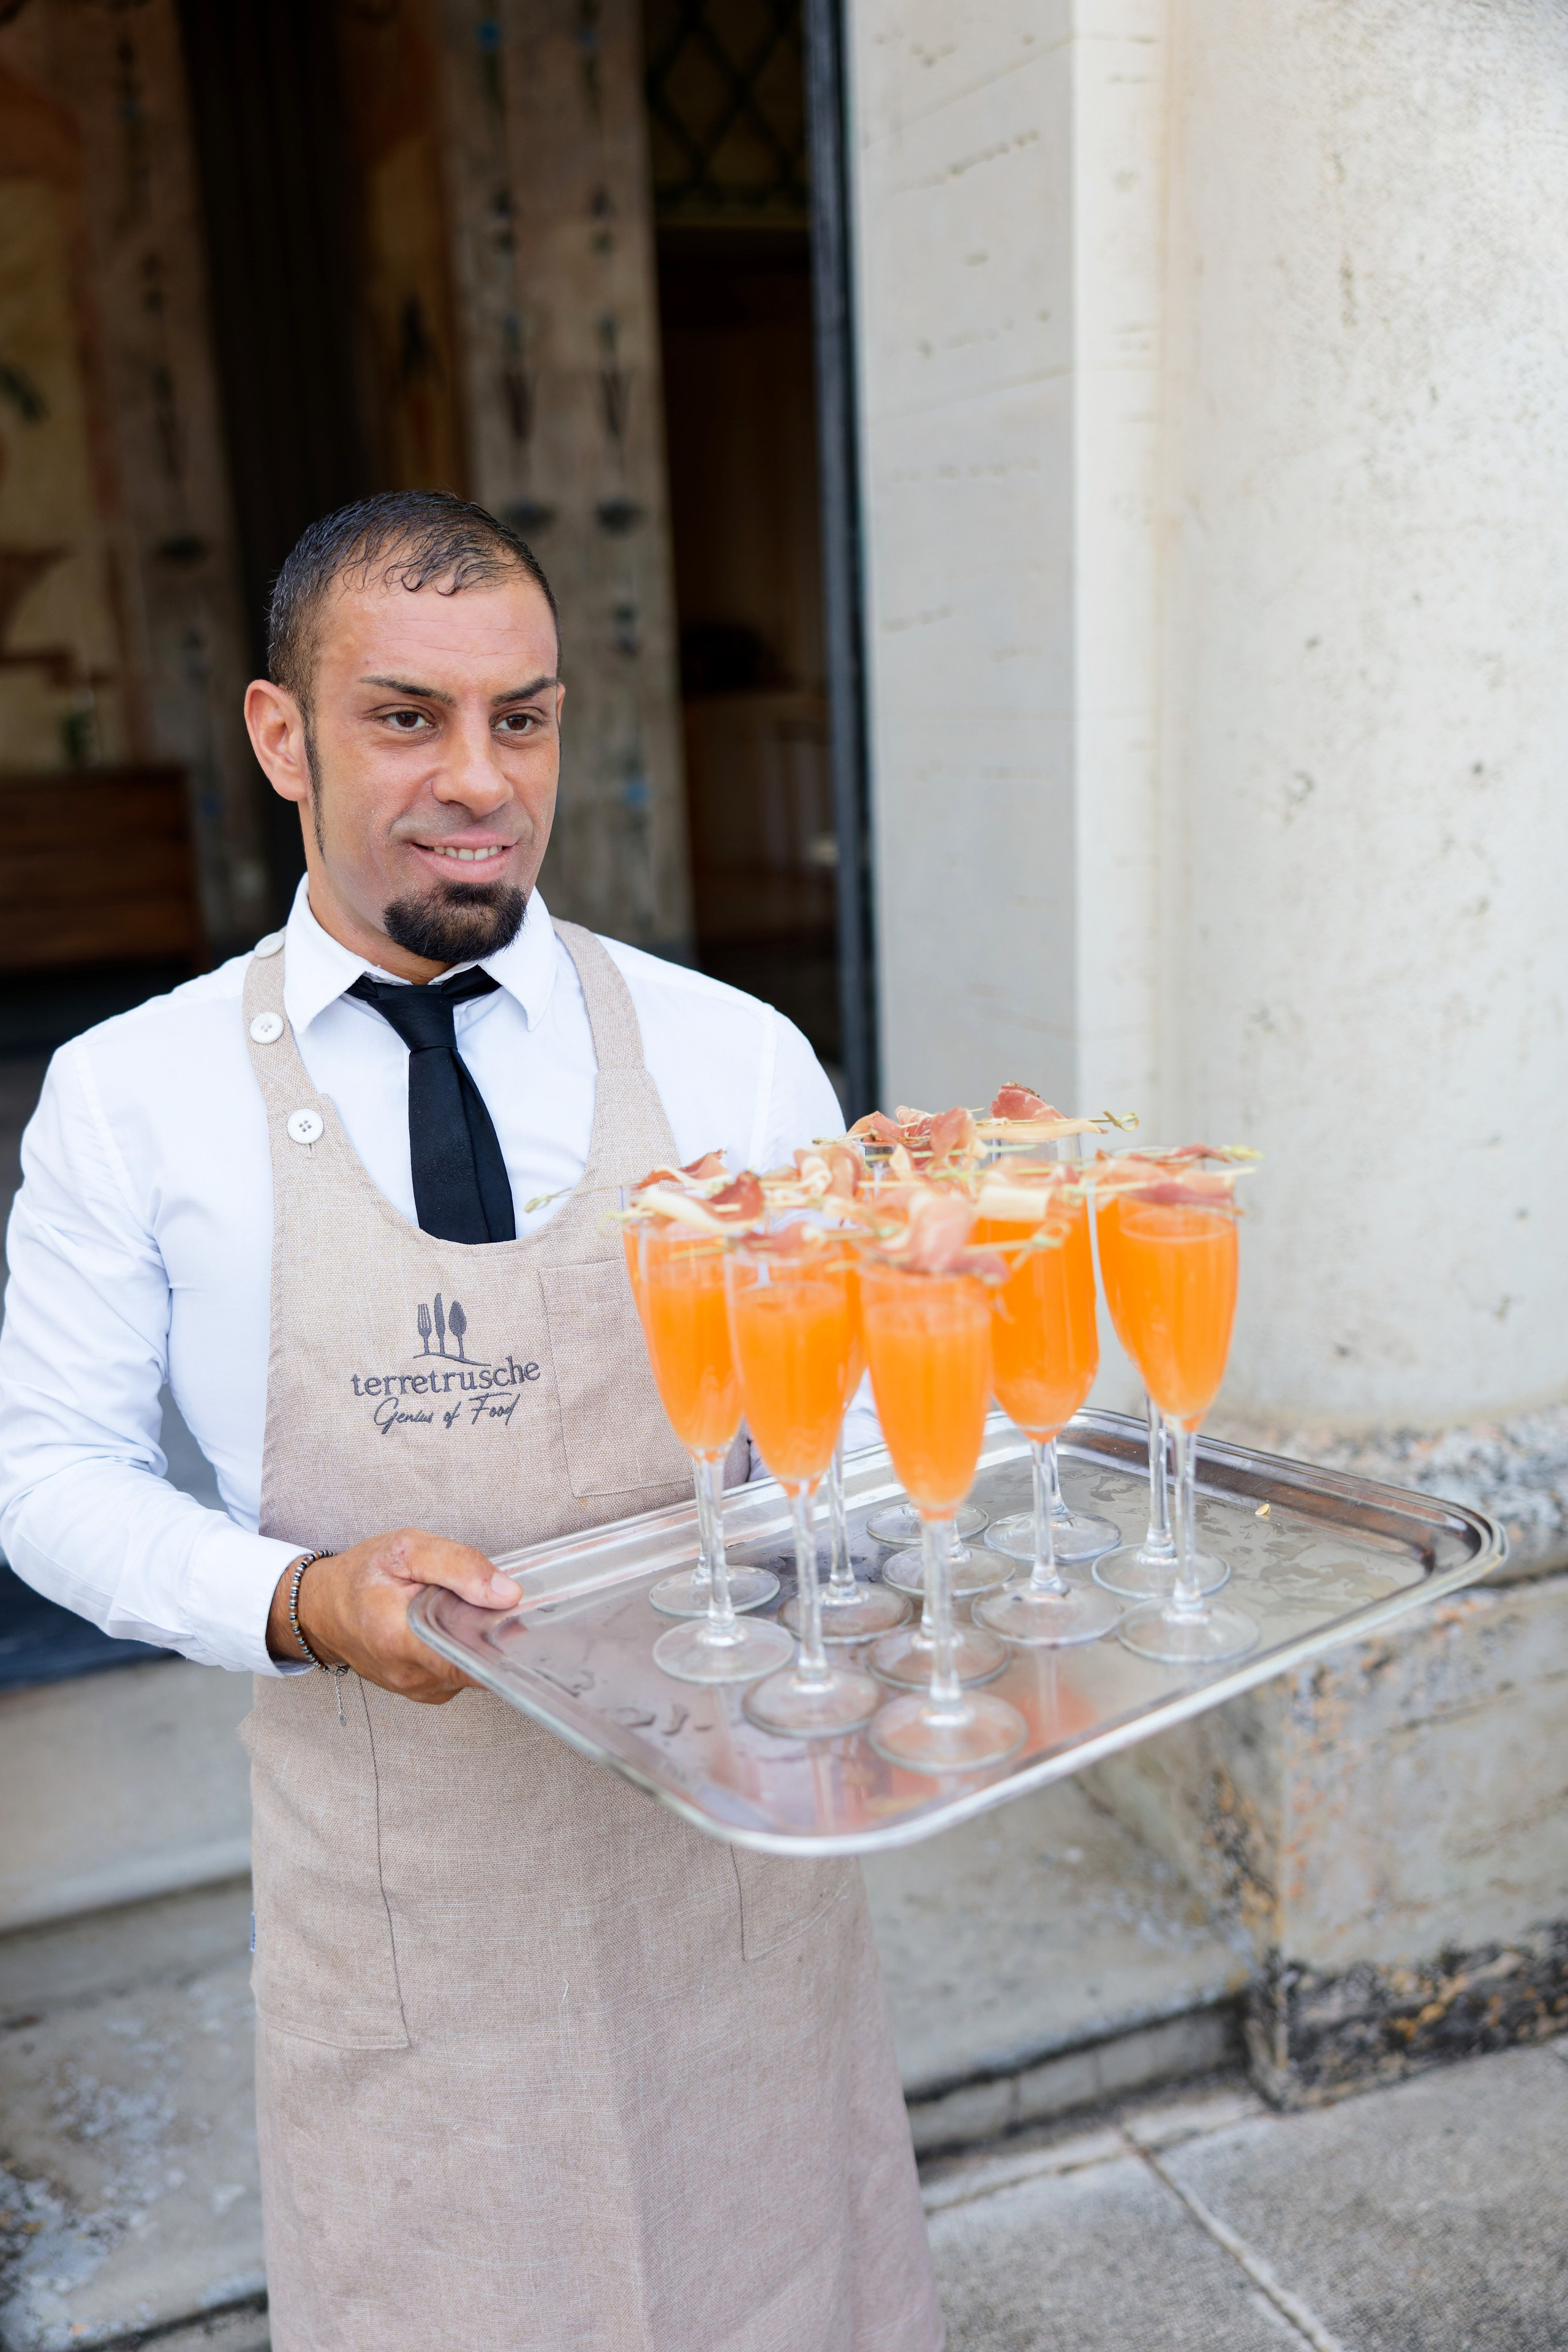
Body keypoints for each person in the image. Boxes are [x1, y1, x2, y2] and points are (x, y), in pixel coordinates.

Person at [0, 493, 941, 2352]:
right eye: (405, 718)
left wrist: (926, 1305)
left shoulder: (735, 1051)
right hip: (408, 1925)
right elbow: (45, 1477)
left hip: (731, 1885)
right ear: (282, 736)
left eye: (521, 718)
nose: (479, 782)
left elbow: (833, 1460)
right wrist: (301, 1599)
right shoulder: (132, 1096)